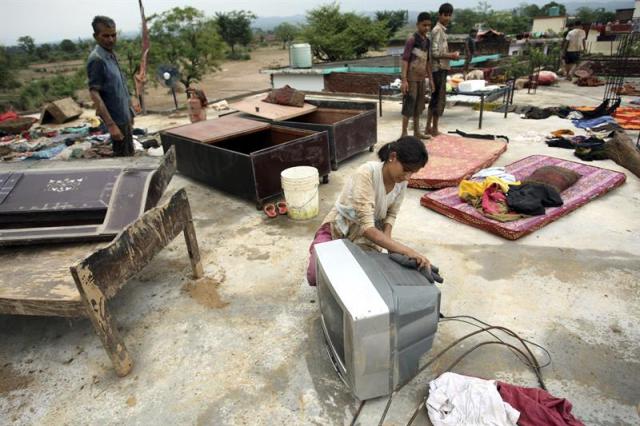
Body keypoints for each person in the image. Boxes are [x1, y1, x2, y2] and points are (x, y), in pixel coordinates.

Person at [306, 136, 432, 286]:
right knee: (316, 276)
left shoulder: (401, 183)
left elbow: (391, 215)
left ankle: (341, 258)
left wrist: (390, 245)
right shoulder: (366, 173)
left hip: (367, 238)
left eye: (412, 173)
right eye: (406, 170)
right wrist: (407, 251)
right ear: (393, 157)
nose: (407, 177)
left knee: (361, 279)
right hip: (339, 228)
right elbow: (367, 227)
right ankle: (321, 248)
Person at [87, 16, 135, 157]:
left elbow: (120, 88)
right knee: (123, 164)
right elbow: (94, 93)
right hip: (115, 121)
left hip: (123, 117)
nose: (111, 39)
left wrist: (130, 111)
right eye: (105, 36)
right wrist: (111, 125)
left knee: (129, 156)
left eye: (113, 35)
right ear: (96, 36)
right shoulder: (97, 59)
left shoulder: (110, 54)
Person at [427, 3, 460, 137]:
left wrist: (450, 56)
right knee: (438, 100)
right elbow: (434, 53)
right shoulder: (437, 30)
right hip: (438, 69)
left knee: (435, 99)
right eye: (445, 15)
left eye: (449, 15)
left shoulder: (441, 31)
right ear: (440, 15)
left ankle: (430, 128)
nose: (447, 17)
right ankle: (433, 128)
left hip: (441, 68)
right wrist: (451, 55)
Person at [400, 12, 434, 140]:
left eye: (428, 25)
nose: (426, 28)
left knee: (419, 105)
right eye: (424, 25)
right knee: (410, 103)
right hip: (411, 78)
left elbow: (428, 61)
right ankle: (404, 132)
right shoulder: (412, 40)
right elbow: (405, 60)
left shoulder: (427, 41)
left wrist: (430, 79)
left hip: (421, 78)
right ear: (418, 25)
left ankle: (417, 132)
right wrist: (404, 80)